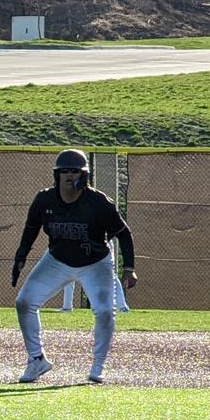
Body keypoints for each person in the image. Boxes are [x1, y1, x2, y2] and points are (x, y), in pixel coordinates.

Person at [12, 149, 138, 383]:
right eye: (65, 171)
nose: (70, 176)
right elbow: (31, 229)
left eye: (75, 171)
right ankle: (37, 360)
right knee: (24, 302)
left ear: (84, 176)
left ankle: (98, 366)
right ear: (57, 175)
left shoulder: (98, 202)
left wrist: (129, 267)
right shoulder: (45, 199)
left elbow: (124, 234)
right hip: (57, 260)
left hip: (95, 263)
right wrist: (21, 255)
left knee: (104, 311)